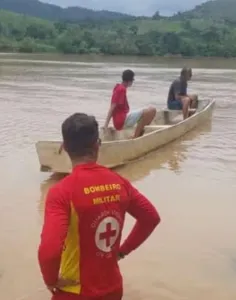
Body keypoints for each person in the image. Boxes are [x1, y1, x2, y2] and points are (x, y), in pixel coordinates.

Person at [38, 113, 161, 300]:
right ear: (97, 145)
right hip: (113, 289)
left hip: (75, 293)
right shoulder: (120, 183)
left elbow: (50, 250)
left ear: (64, 147)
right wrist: (122, 251)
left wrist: (51, 280)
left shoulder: (61, 193)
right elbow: (151, 217)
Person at [103, 69, 157, 139]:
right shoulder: (121, 89)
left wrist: (109, 125)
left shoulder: (117, 87)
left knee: (146, 111)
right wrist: (106, 125)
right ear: (130, 80)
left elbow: (113, 107)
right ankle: (136, 136)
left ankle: (139, 132)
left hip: (119, 121)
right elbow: (112, 107)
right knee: (152, 110)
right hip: (122, 121)